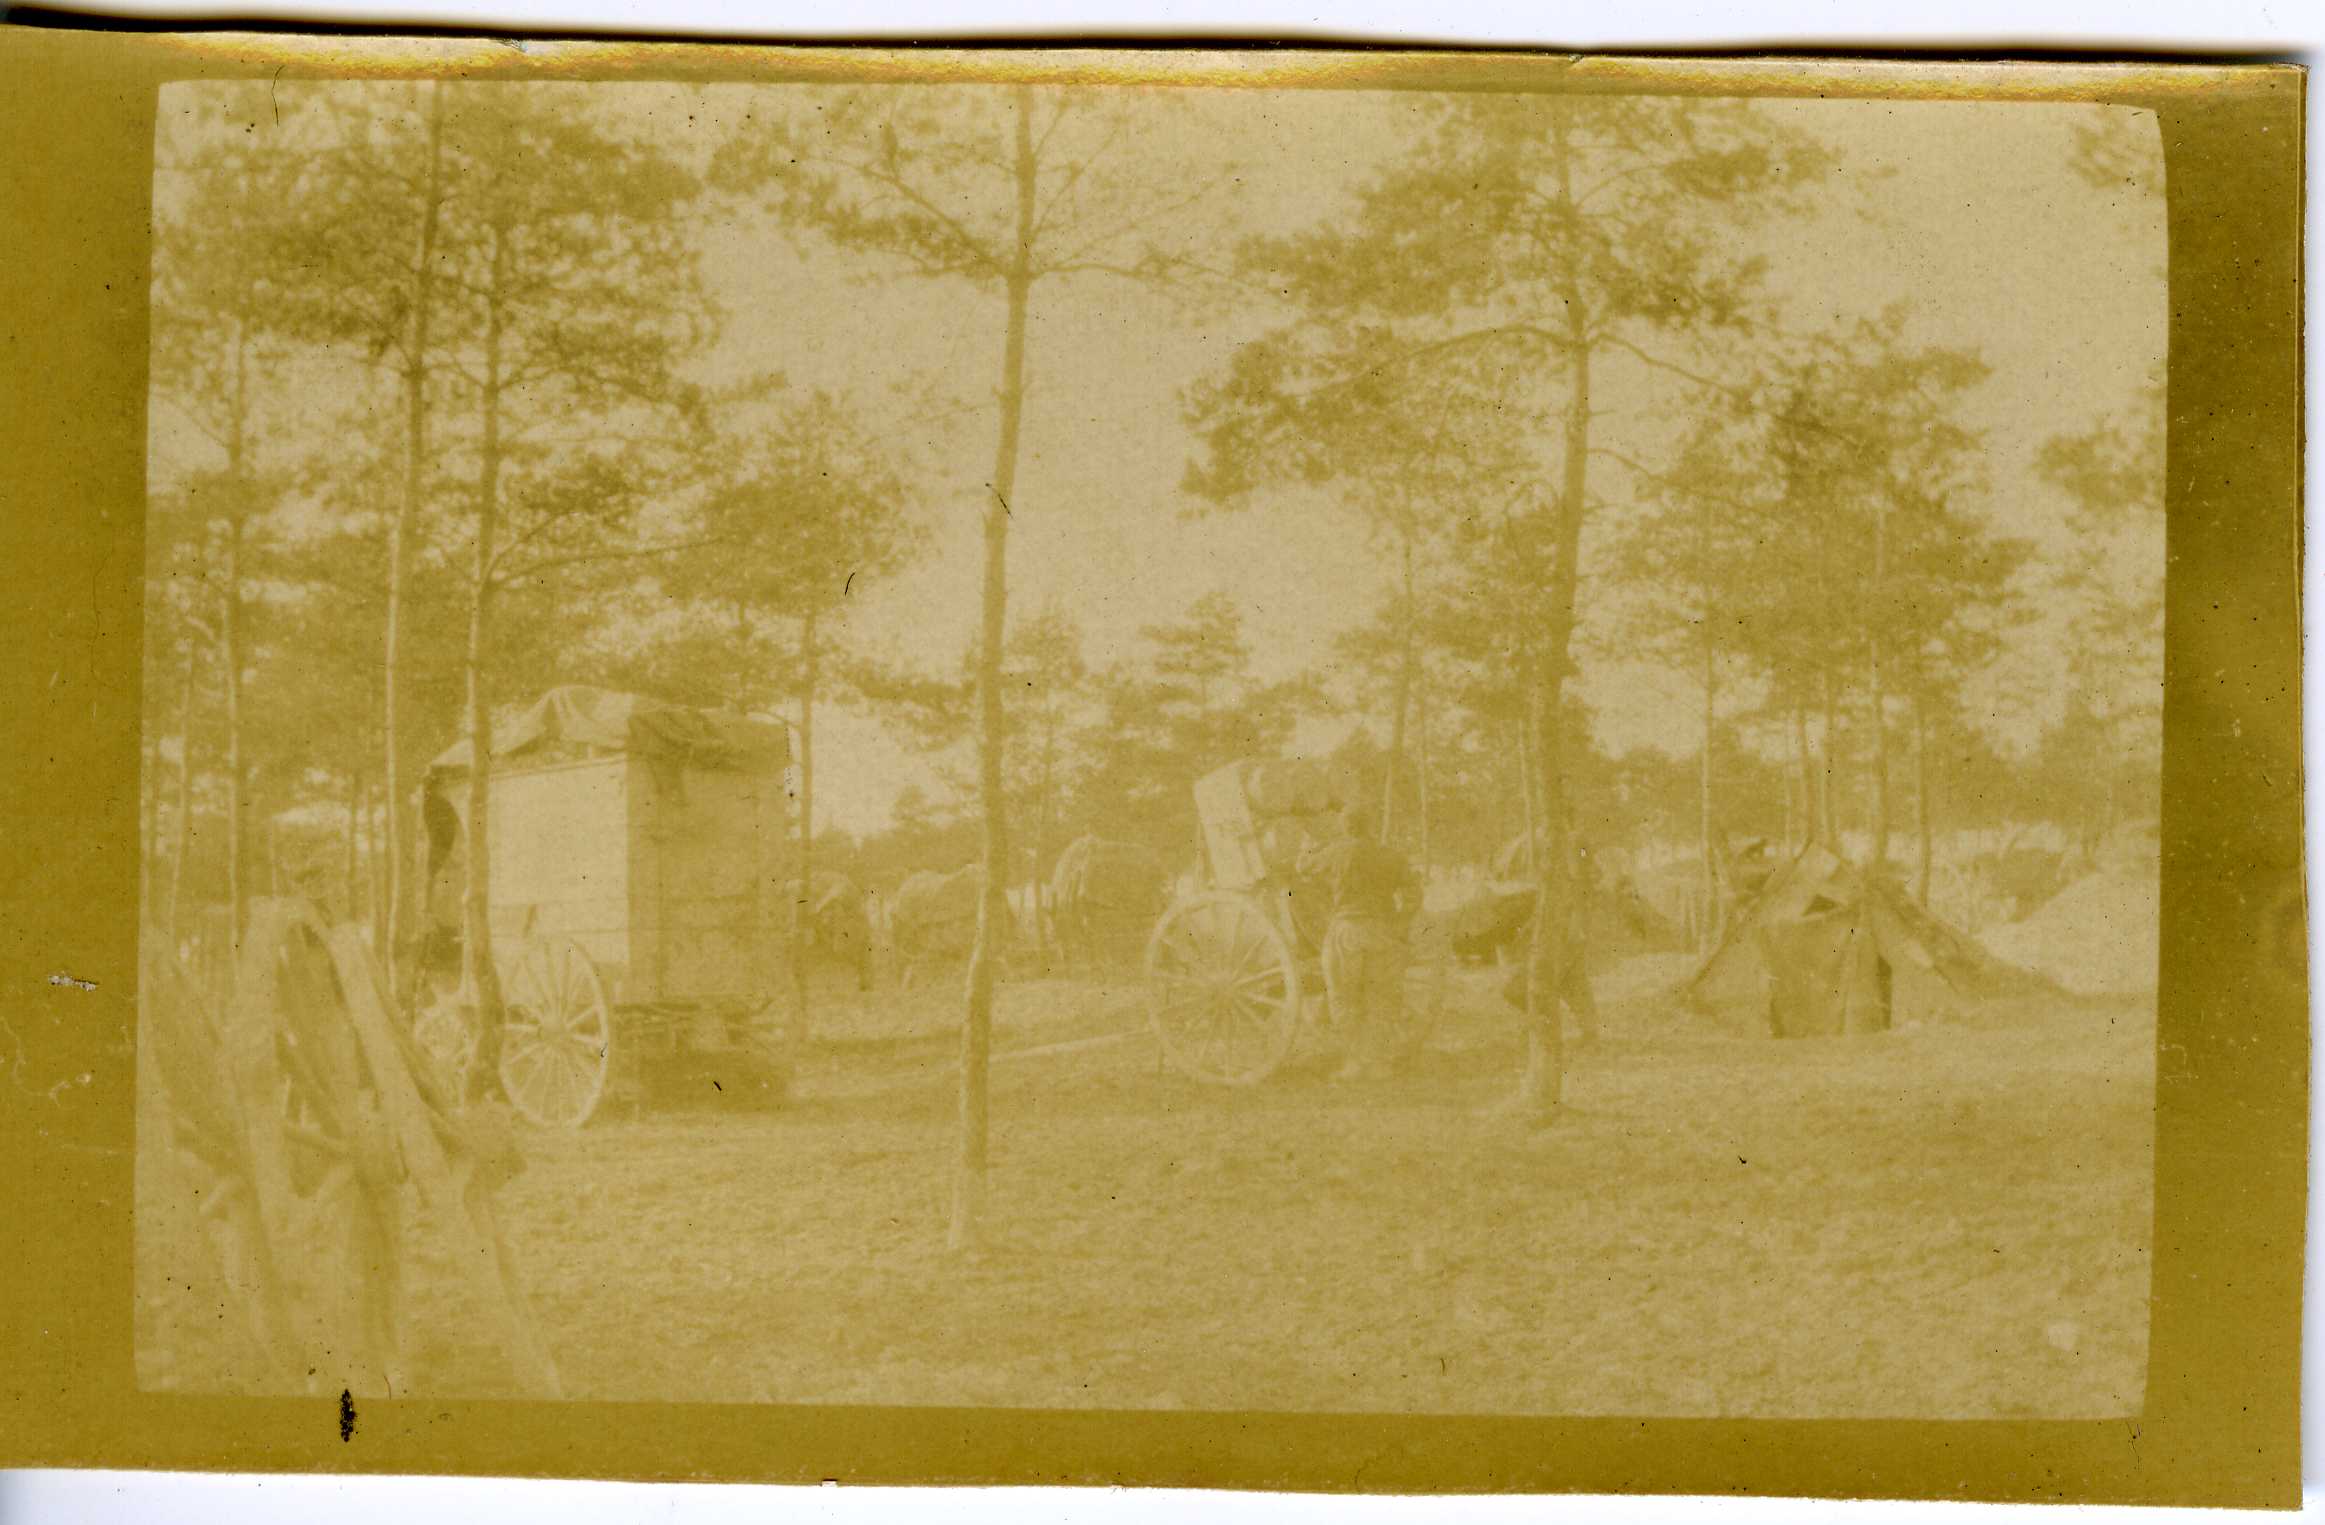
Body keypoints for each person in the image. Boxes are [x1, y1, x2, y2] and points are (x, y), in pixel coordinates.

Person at [1297, 800, 1419, 1081]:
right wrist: (1401, 920)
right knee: (1382, 999)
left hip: (1347, 931)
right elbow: (1414, 891)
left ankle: (1354, 1062)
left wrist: (1308, 845)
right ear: (1370, 825)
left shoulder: (1337, 851)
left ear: (1345, 826)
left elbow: (1303, 867)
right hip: (1384, 931)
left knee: (1343, 997)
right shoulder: (1390, 855)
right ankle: (1378, 1064)